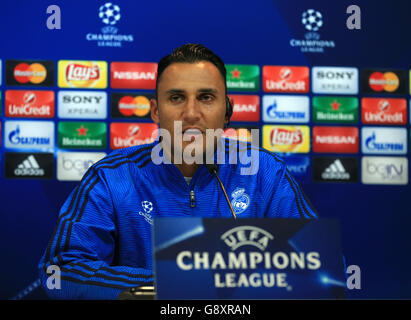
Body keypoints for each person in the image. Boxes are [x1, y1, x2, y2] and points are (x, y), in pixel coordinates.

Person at [38, 43, 318, 299]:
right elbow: (61, 270)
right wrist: (174, 284)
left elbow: (320, 268)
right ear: (156, 111)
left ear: (227, 111)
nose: (191, 113)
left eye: (206, 97)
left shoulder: (266, 174)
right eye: (176, 98)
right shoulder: (112, 177)